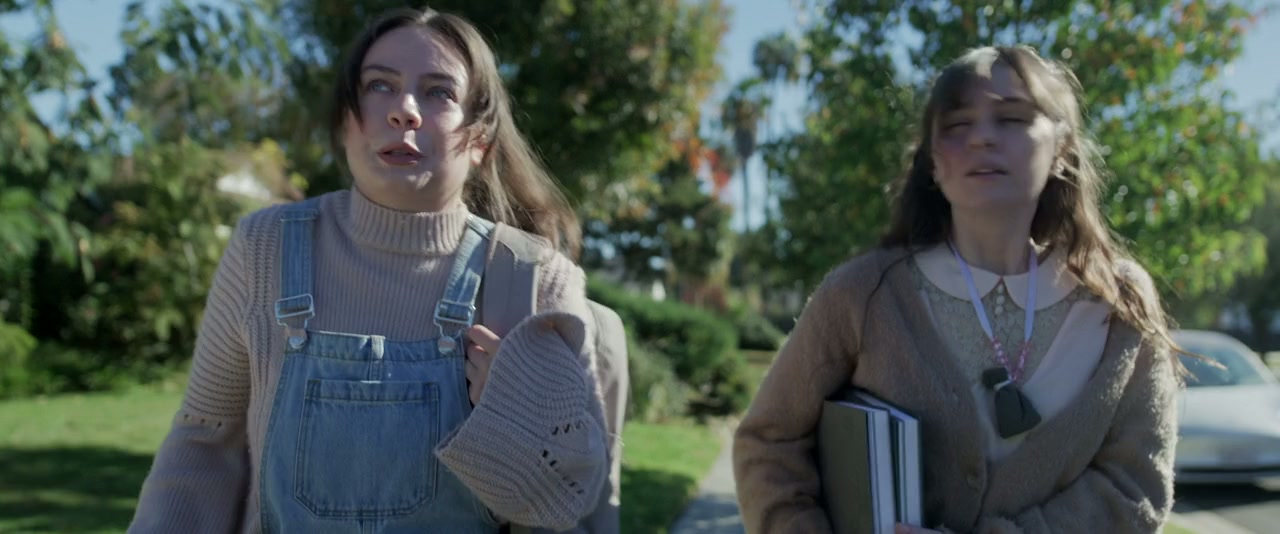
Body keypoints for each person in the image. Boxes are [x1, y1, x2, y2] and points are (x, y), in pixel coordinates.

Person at [128, 6, 614, 533]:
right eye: (380, 86)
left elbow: (568, 504)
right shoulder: (263, 249)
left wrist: (521, 404)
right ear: (346, 121)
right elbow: (203, 444)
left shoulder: (534, 278)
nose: (405, 110)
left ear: (480, 141)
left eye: (439, 92)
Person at [732, 45, 1183, 533]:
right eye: (957, 124)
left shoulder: (1121, 304)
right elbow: (768, 445)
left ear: (1062, 148)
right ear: (932, 161)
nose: (982, 137)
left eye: (1012, 118)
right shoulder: (862, 294)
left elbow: (1137, 488)